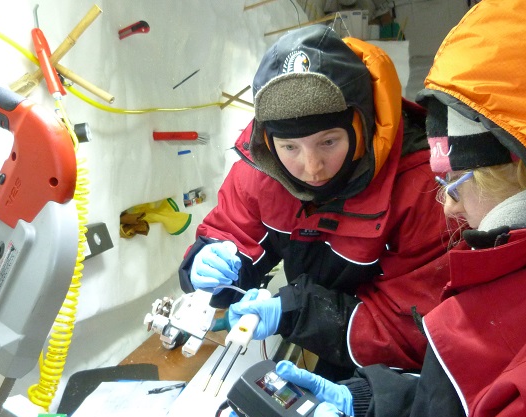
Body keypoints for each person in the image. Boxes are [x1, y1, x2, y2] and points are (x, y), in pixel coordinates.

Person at [250, 0, 526, 417]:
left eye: (456, 182)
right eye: (290, 148)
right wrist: (372, 401)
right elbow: (480, 405)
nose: (449, 204)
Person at [179, 25, 449, 380]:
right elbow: (231, 229)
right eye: (290, 147)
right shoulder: (262, 169)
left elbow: (413, 328)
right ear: (267, 138)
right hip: (331, 331)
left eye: (328, 142)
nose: (311, 168)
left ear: (363, 124)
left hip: (388, 366)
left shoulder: (422, 188)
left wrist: (296, 313)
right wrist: (209, 258)